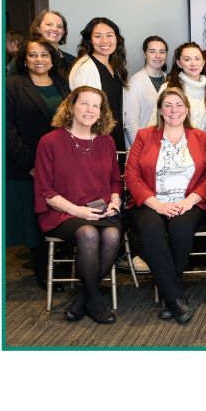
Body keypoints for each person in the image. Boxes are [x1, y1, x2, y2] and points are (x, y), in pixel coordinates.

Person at [33, 87, 124, 325]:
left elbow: (115, 181)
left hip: (99, 207)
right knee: (88, 234)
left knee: (113, 235)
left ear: (101, 112)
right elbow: (45, 190)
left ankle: (83, 299)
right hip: (62, 211)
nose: (90, 110)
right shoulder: (50, 141)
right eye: (84, 103)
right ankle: (95, 302)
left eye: (96, 106)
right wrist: (77, 211)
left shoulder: (106, 141)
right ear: (71, 106)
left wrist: (115, 202)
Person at [124, 87, 206, 325]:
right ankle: (173, 297)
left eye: (179, 105)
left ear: (187, 109)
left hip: (188, 202)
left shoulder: (201, 137)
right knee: (151, 229)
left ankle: (167, 295)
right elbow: (132, 176)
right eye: (168, 105)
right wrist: (157, 205)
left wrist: (189, 201)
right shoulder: (144, 136)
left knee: (180, 229)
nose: (174, 110)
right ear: (160, 111)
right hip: (150, 202)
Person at [6, 35, 70, 286]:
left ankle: (60, 266)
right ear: (24, 59)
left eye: (44, 55)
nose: (39, 60)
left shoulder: (62, 84)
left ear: (52, 60)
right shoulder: (12, 85)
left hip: (60, 164)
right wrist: (32, 165)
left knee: (58, 215)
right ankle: (44, 274)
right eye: (32, 55)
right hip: (27, 166)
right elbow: (7, 130)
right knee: (34, 223)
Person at [67, 16, 128, 151]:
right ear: (89, 40)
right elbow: (83, 111)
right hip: (95, 138)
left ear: (117, 38)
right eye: (98, 36)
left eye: (109, 35)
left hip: (115, 134)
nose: (104, 41)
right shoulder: (85, 68)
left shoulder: (114, 66)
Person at [156, 42, 206, 137]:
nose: (193, 63)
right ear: (179, 63)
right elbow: (155, 121)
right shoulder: (168, 87)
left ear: (203, 62)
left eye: (197, 59)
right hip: (171, 144)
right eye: (187, 59)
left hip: (201, 144)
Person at [122, 35, 168, 149]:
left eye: (162, 52)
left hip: (165, 148)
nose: (158, 56)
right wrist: (141, 149)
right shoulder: (135, 82)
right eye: (152, 51)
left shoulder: (171, 81)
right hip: (142, 147)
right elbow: (130, 122)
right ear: (144, 54)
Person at [8, 9, 76, 78]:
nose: (55, 29)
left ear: (63, 32)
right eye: (49, 24)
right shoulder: (22, 58)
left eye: (59, 26)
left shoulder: (73, 61)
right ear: (38, 29)